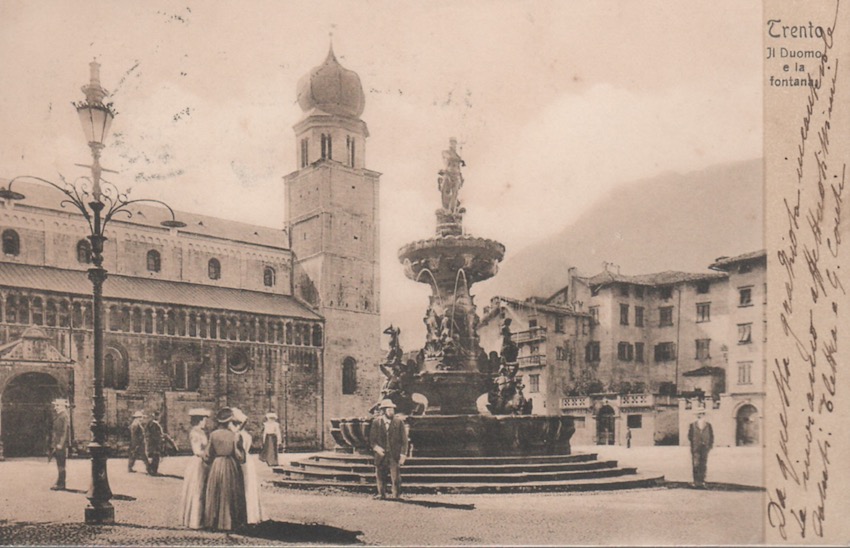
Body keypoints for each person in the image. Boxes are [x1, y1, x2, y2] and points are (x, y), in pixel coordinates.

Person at [203, 407, 247, 531]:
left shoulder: (213, 434)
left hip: (216, 464)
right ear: (229, 421)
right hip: (229, 464)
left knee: (215, 491)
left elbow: (207, 454)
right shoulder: (233, 435)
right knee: (229, 492)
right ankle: (229, 522)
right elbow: (239, 456)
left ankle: (213, 521)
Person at [368, 399, 408, 500]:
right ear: (384, 411)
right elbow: (372, 440)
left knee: (396, 477)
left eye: (393, 410)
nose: (391, 412)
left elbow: (404, 441)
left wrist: (403, 455)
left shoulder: (399, 422)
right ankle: (381, 494)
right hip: (381, 455)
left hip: (394, 454)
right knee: (380, 475)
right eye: (389, 410)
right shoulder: (376, 423)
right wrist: (377, 448)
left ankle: (396, 495)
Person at [180, 408, 210, 529]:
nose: (205, 422)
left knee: (202, 489)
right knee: (198, 489)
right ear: (200, 420)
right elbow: (197, 450)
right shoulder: (196, 433)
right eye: (204, 420)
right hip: (199, 462)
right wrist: (207, 456)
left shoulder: (201, 432)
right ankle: (195, 520)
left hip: (202, 461)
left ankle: (201, 518)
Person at [233, 408, 262, 524]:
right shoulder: (246, 435)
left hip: (241, 461)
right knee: (249, 486)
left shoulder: (237, 435)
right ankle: (252, 514)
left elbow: (239, 451)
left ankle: (244, 515)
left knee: (243, 485)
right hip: (248, 460)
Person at [687, 409, 714, 488]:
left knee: (703, 464)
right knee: (696, 464)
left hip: (705, 447)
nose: (700, 415)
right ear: (697, 415)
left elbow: (711, 436)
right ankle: (696, 482)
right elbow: (690, 436)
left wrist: (709, 445)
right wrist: (695, 443)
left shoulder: (708, 425)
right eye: (699, 414)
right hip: (696, 447)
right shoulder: (692, 425)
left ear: (704, 414)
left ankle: (702, 481)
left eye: (702, 413)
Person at [49, 398, 70, 491]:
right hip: (57, 443)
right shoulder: (59, 415)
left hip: (61, 444)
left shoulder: (64, 416)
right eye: (55, 405)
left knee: (61, 463)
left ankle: (61, 483)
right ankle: (59, 481)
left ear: (62, 406)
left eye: (57, 405)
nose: (55, 407)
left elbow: (65, 431)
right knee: (59, 463)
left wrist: (61, 443)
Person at [145, 410, 164, 475]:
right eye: (158, 415)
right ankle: (153, 471)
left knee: (153, 456)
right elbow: (155, 435)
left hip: (152, 442)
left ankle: (151, 470)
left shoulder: (151, 423)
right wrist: (160, 439)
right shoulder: (154, 424)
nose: (159, 417)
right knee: (156, 456)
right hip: (155, 443)